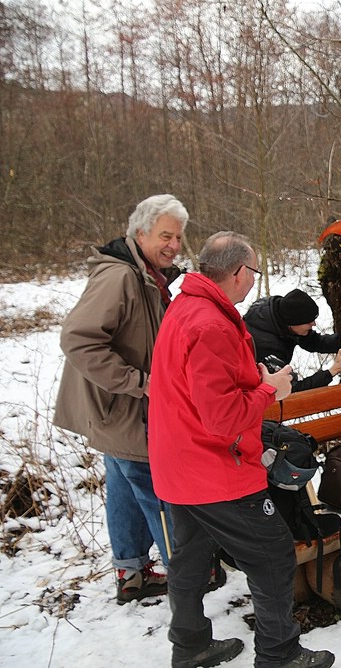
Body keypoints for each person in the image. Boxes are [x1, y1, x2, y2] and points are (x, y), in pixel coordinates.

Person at [148, 232, 334, 668]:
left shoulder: (188, 305)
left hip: (179, 463)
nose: (254, 280)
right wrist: (270, 390)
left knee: (191, 559)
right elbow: (221, 417)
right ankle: (279, 654)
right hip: (214, 467)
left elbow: (202, 386)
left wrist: (255, 378)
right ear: (237, 272)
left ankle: (190, 646)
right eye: (254, 271)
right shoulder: (211, 323)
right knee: (273, 554)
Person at [53, 194, 189, 604]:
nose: (174, 245)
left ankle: (131, 573)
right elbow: (78, 339)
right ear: (140, 233)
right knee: (156, 489)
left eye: (178, 237)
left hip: (119, 411)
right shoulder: (120, 277)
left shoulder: (145, 274)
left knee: (125, 491)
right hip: (125, 409)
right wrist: (140, 383)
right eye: (165, 236)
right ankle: (188, 578)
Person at [244, 288, 341, 392]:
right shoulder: (268, 348)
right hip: (250, 393)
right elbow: (292, 389)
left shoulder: (281, 313)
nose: (314, 324)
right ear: (292, 323)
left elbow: (311, 341)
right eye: (308, 322)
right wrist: (333, 370)